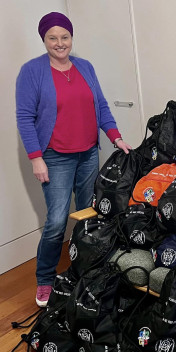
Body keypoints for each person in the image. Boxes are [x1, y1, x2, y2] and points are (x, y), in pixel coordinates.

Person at [16, 11, 132, 307]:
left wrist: (115, 137)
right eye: (52, 38)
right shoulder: (32, 71)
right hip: (54, 157)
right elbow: (25, 118)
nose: (59, 43)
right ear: (44, 40)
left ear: (71, 37)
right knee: (56, 222)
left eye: (64, 37)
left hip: (88, 154)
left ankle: (85, 272)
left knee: (88, 216)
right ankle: (44, 279)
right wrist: (36, 158)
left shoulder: (85, 67)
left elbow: (101, 105)